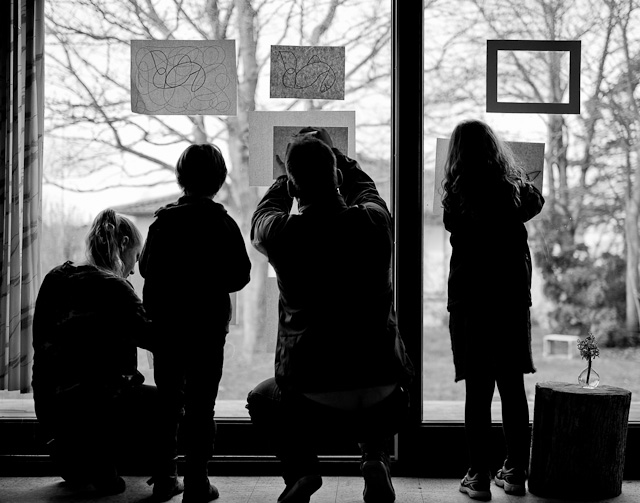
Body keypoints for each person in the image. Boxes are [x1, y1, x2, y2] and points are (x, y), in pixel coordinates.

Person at [246, 127, 414, 503]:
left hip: (311, 402)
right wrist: (338, 156)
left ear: (293, 186)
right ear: (336, 176)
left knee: (260, 399)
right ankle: (375, 457)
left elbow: (262, 216)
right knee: (366, 364)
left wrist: (282, 178)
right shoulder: (374, 224)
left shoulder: (282, 234)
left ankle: (302, 470)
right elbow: (368, 191)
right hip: (386, 398)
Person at [139, 143, 251, 503]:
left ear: (180, 178)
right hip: (207, 327)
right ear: (220, 180)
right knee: (202, 403)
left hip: (167, 327)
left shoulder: (162, 223)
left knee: (168, 401)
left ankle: (164, 477)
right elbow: (240, 276)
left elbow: (145, 269)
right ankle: (198, 480)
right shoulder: (222, 223)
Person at [441, 119, 545, 501]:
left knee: (478, 391)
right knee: (513, 387)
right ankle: (517, 471)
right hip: (510, 301)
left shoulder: (456, 196)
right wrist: (510, 170)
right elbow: (537, 199)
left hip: (471, 302)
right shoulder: (517, 194)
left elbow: (453, 222)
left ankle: (479, 475)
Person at [32, 208, 157, 495]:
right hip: (99, 408)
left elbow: (41, 345)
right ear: (123, 245)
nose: (134, 269)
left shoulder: (56, 278)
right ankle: (106, 460)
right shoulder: (115, 287)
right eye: (135, 258)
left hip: (52, 410)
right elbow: (154, 337)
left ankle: (78, 459)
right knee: (173, 403)